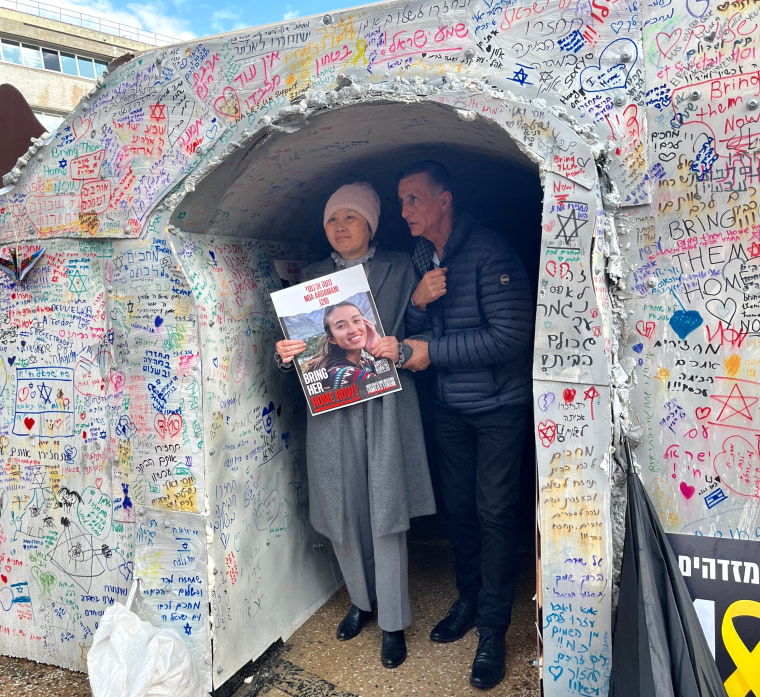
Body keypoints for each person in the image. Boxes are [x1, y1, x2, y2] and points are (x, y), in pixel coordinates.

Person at [275, 181, 436, 669]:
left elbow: (424, 330)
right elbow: (296, 349)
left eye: (351, 218)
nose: (340, 227)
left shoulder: (401, 268)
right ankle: (361, 601)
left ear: (371, 224)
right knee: (343, 508)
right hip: (331, 410)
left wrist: (401, 346)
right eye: (331, 219)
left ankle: (392, 620)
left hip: (385, 403)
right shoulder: (312, 278)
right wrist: (285, 356)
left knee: (385, 510)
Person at [399, 161, 534, 690]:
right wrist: (416, 301)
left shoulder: (490, 251)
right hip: (450, 405)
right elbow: (416, 331)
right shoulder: (421, 256)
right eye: (401, 200)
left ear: (444, 200)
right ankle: (470, 599)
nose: (404, 210)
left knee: (495, 513)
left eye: (413, 199)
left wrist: (433, 352)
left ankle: (494, 630)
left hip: (500, 406)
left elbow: (510, 336)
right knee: (457, 509)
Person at [301, 300, 379, 390]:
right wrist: (379, 354)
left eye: (356, 320)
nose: (353, 330)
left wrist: (375, 350)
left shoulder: (364, 362)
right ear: (332, 339)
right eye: (341, 326)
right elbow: (390, 384)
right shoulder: (345, 375)